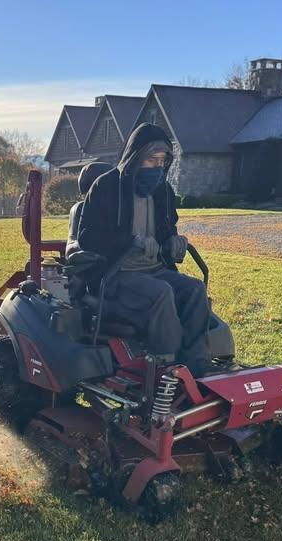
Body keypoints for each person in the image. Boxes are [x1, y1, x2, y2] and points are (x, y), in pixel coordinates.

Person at [75, 123, 211, 376]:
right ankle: (166, 369)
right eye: (151, 160)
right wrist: (129, 242)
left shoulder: (164, 192)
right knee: (161, 293)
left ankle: (198, 365)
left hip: (155, 270)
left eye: (162, 161)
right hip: (114, 275)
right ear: (135, 157)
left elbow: (167, 232)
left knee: (195, 289)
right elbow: (88, 237)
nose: (157, 167)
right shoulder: (106, 187)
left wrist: (174, 244)